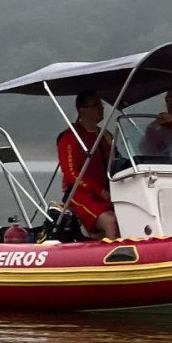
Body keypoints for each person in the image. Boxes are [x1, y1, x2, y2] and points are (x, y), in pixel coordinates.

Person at [56, 90, 120, 239]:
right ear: (82, 110)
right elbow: (72, 175)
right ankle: (111, 258)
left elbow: (116, 163)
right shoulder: (70, 138)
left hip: (107, 194)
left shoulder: (105, 135)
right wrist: (100, 191)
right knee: (110, 221)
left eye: (101, 104)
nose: (101, 108)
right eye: (96, 105)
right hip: (80, 195)